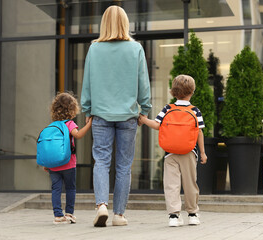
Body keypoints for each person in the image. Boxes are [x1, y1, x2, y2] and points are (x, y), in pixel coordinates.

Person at [81, 5, 152, 227]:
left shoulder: (94, 49)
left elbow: (87, 82)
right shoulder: (136, 49)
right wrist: (145, 109)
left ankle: (101, 204)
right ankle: (119, 215)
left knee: (100, 161)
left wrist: (87, 108)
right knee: (123, 166)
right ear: (125, 23)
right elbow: (143, 83)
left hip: (100, 114)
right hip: (128, 116)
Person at [138, 74, 207, 227]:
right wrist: (202, 152)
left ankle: (173, 216)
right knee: (190, 183)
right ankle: (192, 214)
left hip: (170, 153)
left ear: (173, 92)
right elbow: (199, 133)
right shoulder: (195, 110)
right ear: (192, 91)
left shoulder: (168, 108)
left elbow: (157, 125)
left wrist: (143, 120)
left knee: (171, 184)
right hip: (189, 152)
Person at [43, 92, 92, 224]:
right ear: (72, 109)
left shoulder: (52, 126)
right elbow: (78, 135)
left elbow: (48, 146)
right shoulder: (69, 124)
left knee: (56, 188)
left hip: (53, 165)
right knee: (70, 188)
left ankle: (58, 215)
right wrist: (89, 124)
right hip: (68, 163)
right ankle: (69, 214)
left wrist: (46, 163)